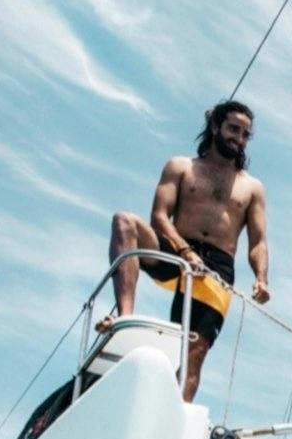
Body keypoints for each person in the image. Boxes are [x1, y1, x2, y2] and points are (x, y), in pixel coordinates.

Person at [104, 100, 271, 401]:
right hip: (175, 248)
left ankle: (176, 413)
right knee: (124, 222)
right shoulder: (181, 167)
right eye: (234, 129)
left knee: (194, 351)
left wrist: (261, 277)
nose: (239, 138)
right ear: (215, 126)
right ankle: (124, 319)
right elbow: (158, 216)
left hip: (217, 267)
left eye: (246, 134)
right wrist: (184, 251)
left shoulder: (253, 188)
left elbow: (258, 241)